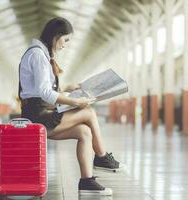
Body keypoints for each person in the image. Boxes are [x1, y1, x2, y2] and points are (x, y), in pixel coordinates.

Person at [19, 17, 121, 196]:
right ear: (55, 36)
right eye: (65, 39)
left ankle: (87, 181)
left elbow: (40, 89)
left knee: (84, 132)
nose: (64, 44)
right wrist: (76, 102)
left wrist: (67, 88)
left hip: (41, 112)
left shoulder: (40, 54)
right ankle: (102, 157)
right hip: (38, 116)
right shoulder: (37, 55)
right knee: (88, 112)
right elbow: (45, 93)